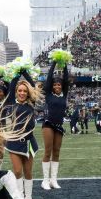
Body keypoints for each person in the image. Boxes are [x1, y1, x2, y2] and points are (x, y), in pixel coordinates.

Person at [2, 67, 43, 199]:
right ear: (16, 92)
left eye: (24, 91)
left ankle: (29, 197)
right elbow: (13, 85)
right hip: (14, 142)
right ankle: (20, 197)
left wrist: (24, 72)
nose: (22, 93)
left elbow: (32, 85)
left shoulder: (32, 103)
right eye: (19, 90)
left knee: (28, 171)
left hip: (29, 142)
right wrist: (17, 74)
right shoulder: (11, 103)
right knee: (18, 171)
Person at [40, 61, 71, 191]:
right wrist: (54, 63)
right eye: (55, 84)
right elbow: (48, 79)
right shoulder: (48, 93)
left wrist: (63, 64)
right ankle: (45, 180)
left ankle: (53, 180)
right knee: (48, 151)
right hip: (48, 124)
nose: (57, 86)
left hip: (59, 125)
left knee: (56, 152)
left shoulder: (64, 94)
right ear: (52, 86)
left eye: (59, 84)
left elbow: (66, 79)